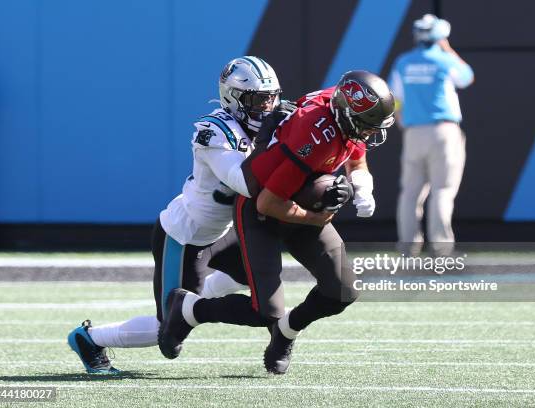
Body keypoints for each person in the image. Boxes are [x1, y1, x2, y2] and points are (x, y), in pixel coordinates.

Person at [158, 70, 396, 374]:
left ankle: (286, 332)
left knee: (342, 291)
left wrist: (361, 183)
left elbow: (356, 151)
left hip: (299, 200)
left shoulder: (341, 109)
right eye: (366, 126)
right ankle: (189, 310)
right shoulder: (315, 137)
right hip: (261, 211)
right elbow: (267, 202)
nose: (369, 134)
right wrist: (316, 217)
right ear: (348, 117)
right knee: (264, 312)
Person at [67, 56, 282, 374]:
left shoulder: (271, 121)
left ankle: (198, 295)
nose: (266, 108)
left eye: (271, 97)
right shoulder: (214, 131)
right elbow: (245, 183)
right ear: (232, 97)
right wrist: (274, 143)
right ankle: (89, 338)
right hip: (186, 236)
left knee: (262, 282)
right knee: (166, 327)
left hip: (224, 233)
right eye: (257, 99)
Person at [389, 14, 474, 256]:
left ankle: (408, 246)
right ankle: (441, 248)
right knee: (443, 190)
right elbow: (467, 77)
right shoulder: (444, 61)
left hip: (413, 132)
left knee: (410, 191)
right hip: (443, 131)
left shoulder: (403, 62)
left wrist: (402, 122)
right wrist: (448, 49)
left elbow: (394, 98)